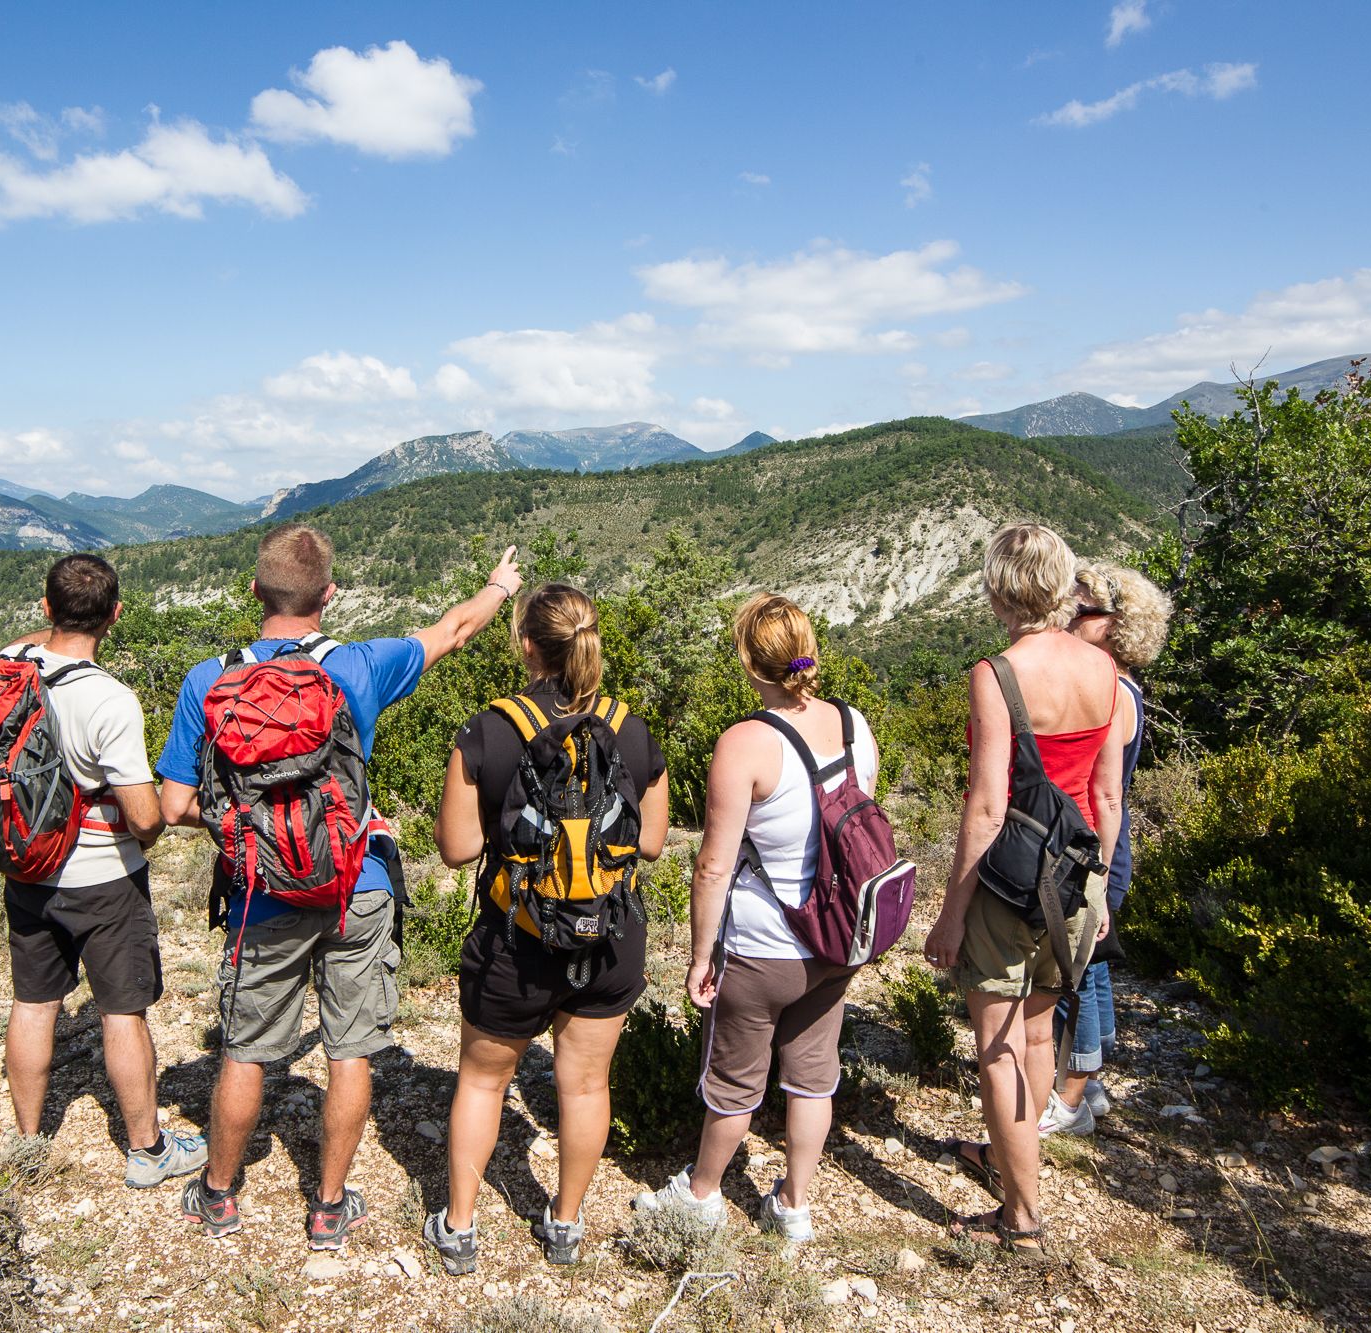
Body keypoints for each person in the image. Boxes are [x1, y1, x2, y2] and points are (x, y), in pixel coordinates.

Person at [158, 524, 523, 1250]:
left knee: (244, 1048)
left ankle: (219, 1194)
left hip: (262, 892)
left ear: (255, 590)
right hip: (359, 880)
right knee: (349, 1049)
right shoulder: (361, 665)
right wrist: (501, 587)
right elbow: (453, 630)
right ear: (329, 595)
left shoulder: (208, 679)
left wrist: (246, 822)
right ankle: (329, 1206)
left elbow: (171, 806)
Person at [423, 584, 672, 1274]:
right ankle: (564, 1224)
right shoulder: (633, 726)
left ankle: (461, 1226)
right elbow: (651, 842)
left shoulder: (488, 729)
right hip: (610, 935)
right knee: (586, 1084)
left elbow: (456, 846)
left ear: (527, 647)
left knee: (482, 1081)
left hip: (516, 938)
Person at [635, 593, 879, 1245]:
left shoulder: (746, 742)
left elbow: (713, 866)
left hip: (762, 945)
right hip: (837, 936)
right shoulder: (855, 726)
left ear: (748, 661)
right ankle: (794, 1206)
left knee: (734, 1080)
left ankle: (702, 1194)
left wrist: (698, 954)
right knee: (812, 1078)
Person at [920, 523, 1125, 1254]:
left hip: (1008, 883)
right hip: (1073, 881)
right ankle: (1013, 1165)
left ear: (1000, 589)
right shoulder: (1104, 670)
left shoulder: (997, 672)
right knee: (1039, 1031)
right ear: (1063, 584)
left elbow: (985, 805)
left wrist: (950, 915)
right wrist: (1095, 891)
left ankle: (1022, 1215)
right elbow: (1107, 797)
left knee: (997, 1045)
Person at [0, 553, 204, 1188]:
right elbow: (145, 819)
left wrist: (54, 624)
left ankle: (28, 1143)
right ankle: (147, 1150)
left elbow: (39, 640)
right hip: (102, 877)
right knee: (122, 1012)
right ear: (115, 616)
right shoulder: (110, 699)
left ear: (45, 609)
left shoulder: (9, 668)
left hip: (27, 867)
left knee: (34, 1003)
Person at [1038, 561, 1171, 1136]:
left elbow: (1105, 791)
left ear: (1117, 625)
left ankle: (1069, 1101)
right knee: (1089, 965)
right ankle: (1089, 1085)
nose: (1070, 616)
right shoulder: (1122, 687)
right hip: (1104, 847)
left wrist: (1098, 870)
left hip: (1093, 847)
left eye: (1083, 609)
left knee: (1076, 975)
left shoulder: (1111, 690)